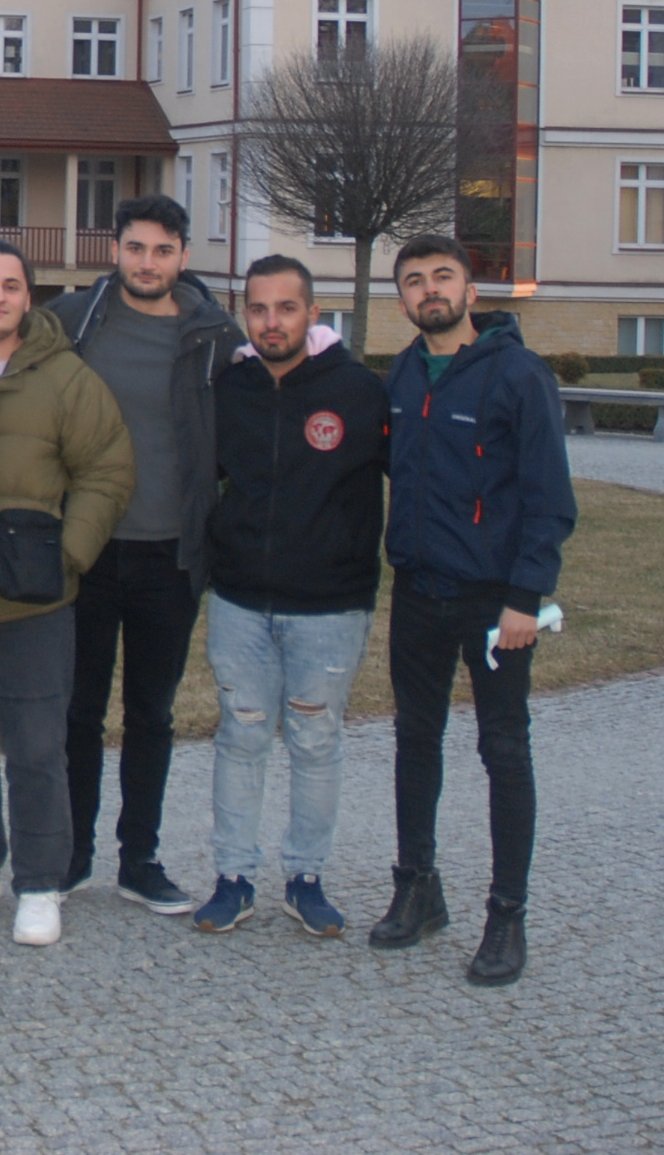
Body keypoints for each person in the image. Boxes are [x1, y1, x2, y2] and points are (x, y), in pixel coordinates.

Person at [370, 234, 576, 987]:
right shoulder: (401, 375)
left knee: (504, 750)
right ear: (402, 298)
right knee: (414, 740)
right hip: (418, 591)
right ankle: (417, 887)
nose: (430, 290)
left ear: (470, 292)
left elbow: (549, 497)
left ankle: (507, 914)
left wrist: (526, 597)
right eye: (414, 280)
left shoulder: (519, 375)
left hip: (495, 603)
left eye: (443, 277)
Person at [0, 239, 134, 947]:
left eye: (10, 285)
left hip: (34, 598)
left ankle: (41, 881)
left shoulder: (66, 378)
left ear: (28, 297)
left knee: (37, 745)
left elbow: (108, 469)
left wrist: (69, 554)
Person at [47, 192, 239, 914]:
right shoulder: (72, 322)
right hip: (87, 550)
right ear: (115, 250)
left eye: (162, 250)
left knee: (151, 714)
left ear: (183, 256)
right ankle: (71, 855)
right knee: (78, 711)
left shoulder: (215, 335)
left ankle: (140, 858)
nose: (148, 262)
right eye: (136, 248)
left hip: (172, 555)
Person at [189, 256, 387, 941]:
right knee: (240, 736)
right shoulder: (229, 388)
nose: (271, 322)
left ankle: (306, 878)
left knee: (315, 740)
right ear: (244, 313)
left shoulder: (359, 392)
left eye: (286, 308)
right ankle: (233, 878)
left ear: (312, 313)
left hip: (330, 606)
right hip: (241, 600)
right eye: (259, 309)